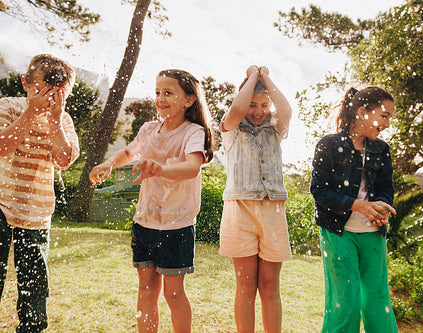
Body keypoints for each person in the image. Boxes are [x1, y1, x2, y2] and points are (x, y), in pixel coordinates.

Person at [89, 69, 213, 333]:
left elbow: (192, 167)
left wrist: (160, 169)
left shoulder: (193, 132)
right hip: (144, 223)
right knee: (146, 290)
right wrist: (110, 163)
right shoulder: (148, 130)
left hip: (176, 226)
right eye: (158, 92)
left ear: (188, 100)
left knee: (174, 294)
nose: (160, 98)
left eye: (168, 93)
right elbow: (128, 152)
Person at [0, 54, 79, 332]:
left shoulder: (64, 121)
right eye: (43, 91)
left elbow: (64, 159)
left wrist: (55, 120)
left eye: (59, 95)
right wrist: (30, 113)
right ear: (25, 84)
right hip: (0, 204)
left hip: (36, 212)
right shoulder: (8, 106)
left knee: (35, 289)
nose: (50, 100)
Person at [310, 86, 399, 333]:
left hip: (373, 233)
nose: (388, 123)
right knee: (345, 302)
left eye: (390, 117)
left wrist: (381, 207)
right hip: (338, 232)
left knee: (378, 302)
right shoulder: (328, 145)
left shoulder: (382, 150)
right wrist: (360, 206)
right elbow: (319, 191)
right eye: (384, 116)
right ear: (362, 112)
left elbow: (385, 188)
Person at [218, 65, 292, 333]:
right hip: (240, 210)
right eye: (252, 104)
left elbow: (285, 110)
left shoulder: (275, 128)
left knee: (270, 286)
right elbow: (237, 111)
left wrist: (266, 78)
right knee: (246, 284)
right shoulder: (231, 129)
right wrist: (251, 76)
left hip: (272, 211)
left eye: (263, 105)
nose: (258, 111)